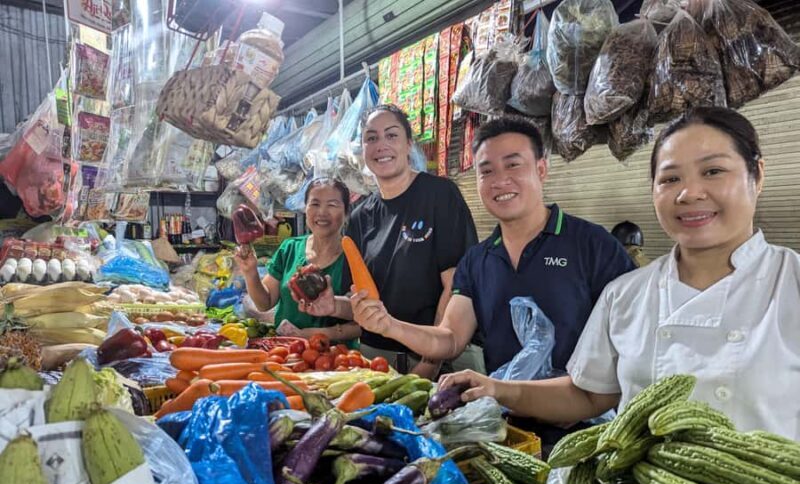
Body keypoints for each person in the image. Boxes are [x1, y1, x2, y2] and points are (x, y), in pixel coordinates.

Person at [437, 106, 800, 441]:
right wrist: (495, 388)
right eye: (670, 178)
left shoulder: (791, 283)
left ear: (758, 175)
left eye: (713, 171)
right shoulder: (627, 294)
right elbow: (588, 394)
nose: (689, 193)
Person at [350, 115, 634, 441]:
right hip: (506, 433)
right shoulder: (478, 260)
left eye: (513, 165)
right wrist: (389, 326)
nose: (500, 181)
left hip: (590, 434)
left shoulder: (593, 246)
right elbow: (450, 339)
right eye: (486, 171)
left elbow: (631, 346)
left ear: (541, 169)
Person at [296, 104, 479, 378]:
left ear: (408, 144)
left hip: (430, 358)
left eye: (391, 136)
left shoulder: (440, 195)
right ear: (364, 149)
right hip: (373, 360)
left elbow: (455, 286)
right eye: (371, 138)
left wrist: (430, 361)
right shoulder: (360, 216)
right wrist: (333, 306)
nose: (381, 145)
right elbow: (360, 302)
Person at [234, 177, 361, 344]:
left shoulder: (355, 257)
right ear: (305, 209)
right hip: (287, 353)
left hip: (336, 359)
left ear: (345, 213)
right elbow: (264, 303)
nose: (322, 212)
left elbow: (363, 320)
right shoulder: (290, 249)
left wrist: (322, 334)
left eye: (332, 205)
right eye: (314, 204)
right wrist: (250, 272)